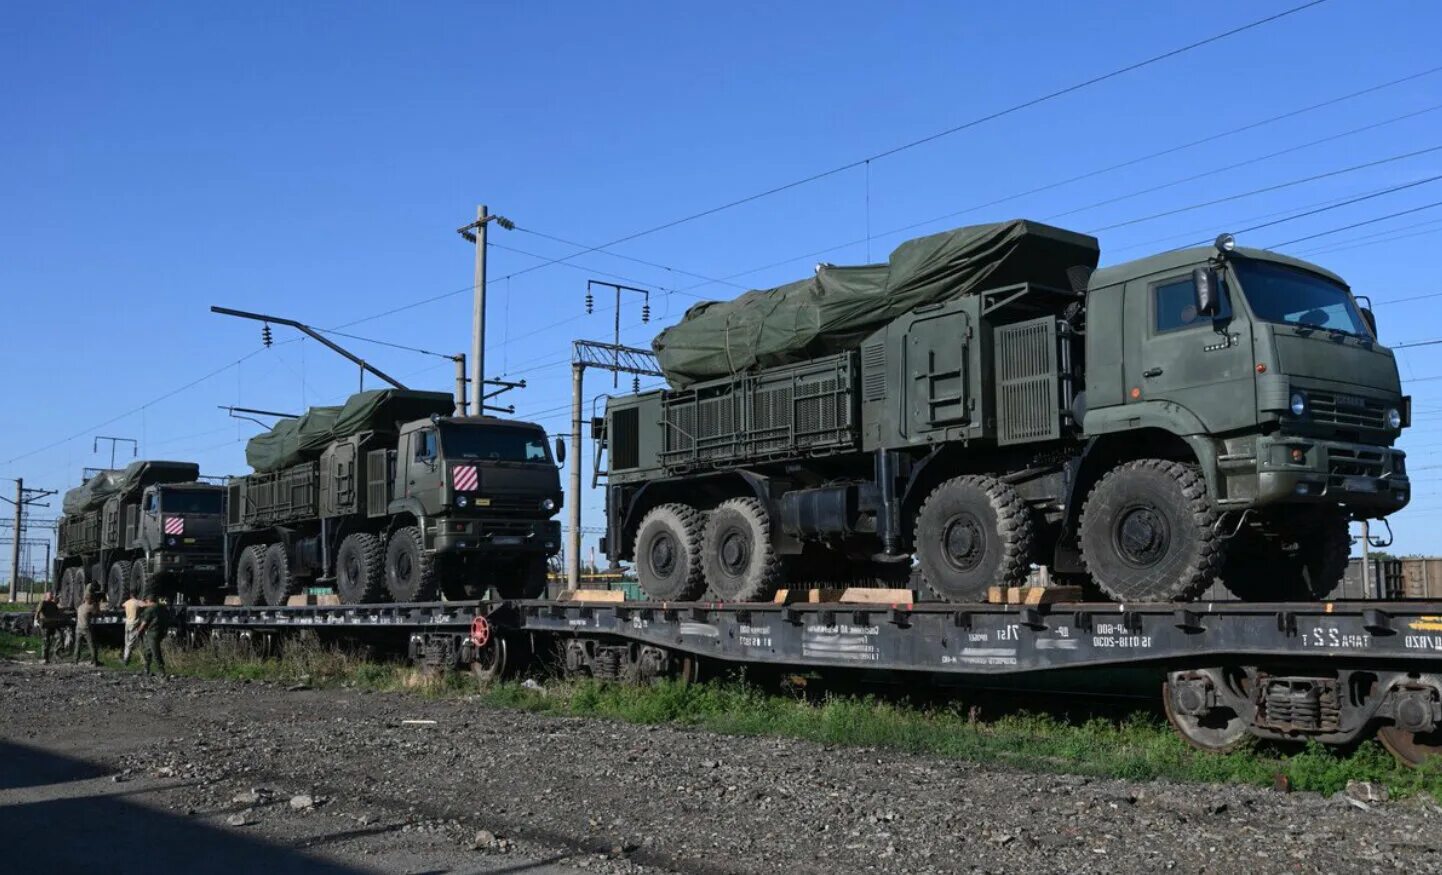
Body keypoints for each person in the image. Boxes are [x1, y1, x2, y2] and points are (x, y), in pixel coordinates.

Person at [134, 596, 172, 677]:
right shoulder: (163, 608)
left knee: (155, 651)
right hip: (161, 632)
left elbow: (144, 622)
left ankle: (161, 671)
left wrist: (138, 631)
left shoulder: (150, 609)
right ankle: (146, 668)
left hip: (152, 632)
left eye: (146, 602)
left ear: (149, 601)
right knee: (148, 650)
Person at [32, 591, 65, 664]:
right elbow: (38, 611)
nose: (52, 596)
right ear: (46, 596)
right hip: (45, 624)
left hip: (53, 624)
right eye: (50, 595)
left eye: (52, 595)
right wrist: (35, 620)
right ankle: (44, 658)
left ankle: (55, 654)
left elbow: (58, 612)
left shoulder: (53, 604)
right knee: (46, 641)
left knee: (60, 637)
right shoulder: (43, 602)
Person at [73, 585, 101, 666]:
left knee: (77, 645)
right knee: (91, 644)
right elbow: (97, 613)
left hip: (78, 627)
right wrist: (97, 605)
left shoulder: (80, 607)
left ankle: (75, 661)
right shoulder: (90, 607)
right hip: (86, 628)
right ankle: (95, 661)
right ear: (90, 599)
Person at [121, 592, 144, 665]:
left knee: (127, 641)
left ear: (130, 596)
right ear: (136, 595)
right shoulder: (137, 602)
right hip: (134, 624)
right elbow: (145, 605)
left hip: (127, 623)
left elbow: (122, 605)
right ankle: (127, 659)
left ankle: (125, 657)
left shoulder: (127, 602)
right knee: (132, 642)